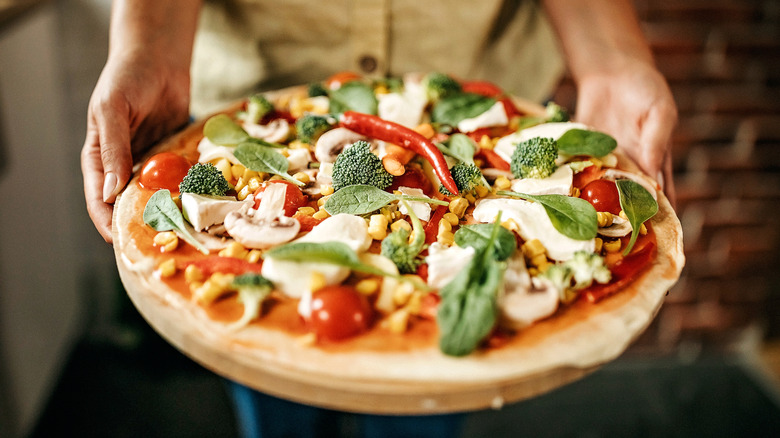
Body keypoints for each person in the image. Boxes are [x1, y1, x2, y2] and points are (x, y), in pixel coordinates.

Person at [81, 1, 678, 436]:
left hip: (477, 115)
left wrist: (612, 63)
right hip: (255, 91)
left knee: (426, 412)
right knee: (273, 390)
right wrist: (149, 49)